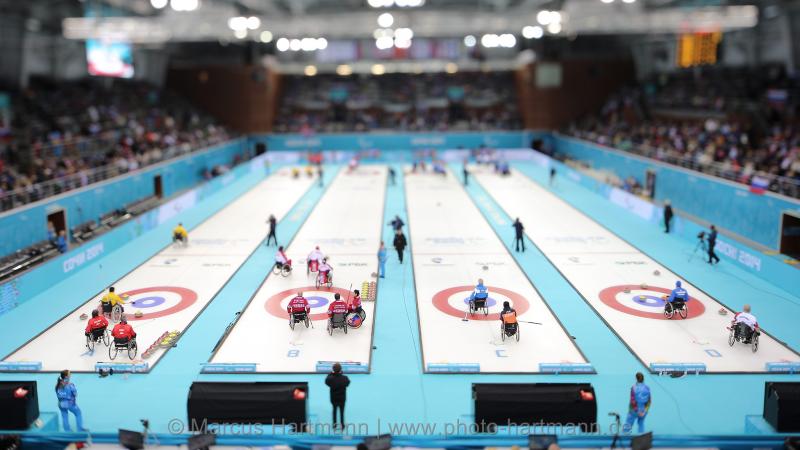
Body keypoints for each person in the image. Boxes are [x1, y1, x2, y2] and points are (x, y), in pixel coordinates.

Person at [325, 362, 350, 430]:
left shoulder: (330, 378)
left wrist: (331, 373)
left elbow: (326, 381)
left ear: (333, 369)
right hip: (342, 398)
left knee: (334, 411)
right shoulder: (345, 378)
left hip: (333, 398)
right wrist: (341, 374)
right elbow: (348, 383)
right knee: (342, 412)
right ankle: (342, 425)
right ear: (341, 369)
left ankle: (334, 425)